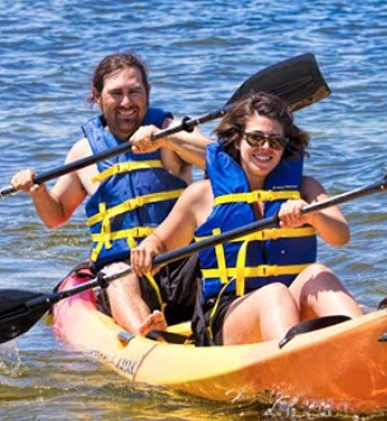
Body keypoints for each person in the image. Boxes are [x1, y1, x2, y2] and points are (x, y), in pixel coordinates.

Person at [130, 91, 363, 346]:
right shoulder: (202, 195)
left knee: (319, 273)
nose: (265, 148)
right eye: (256, 138)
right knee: (274, 295)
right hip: (227, 315)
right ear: (237, 140)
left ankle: (365, 345)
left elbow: (341, 236)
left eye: (275, 141)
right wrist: (148, 248)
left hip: (290, 303)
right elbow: (160, 244)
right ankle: (292, 365)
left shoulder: (305, 189)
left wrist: (313, 215)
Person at [11, 53, 210, 335]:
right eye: (116, 93)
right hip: (125, 266)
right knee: (118, 275)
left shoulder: (170, 130)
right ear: (97, 96)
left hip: (181, 260)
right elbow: (55, 216)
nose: (127, 102)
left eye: (135, 92)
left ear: (147, 92)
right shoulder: (84, 152)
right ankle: (150, 337)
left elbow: (220, 160)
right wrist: (37, 190)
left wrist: (167, 139)